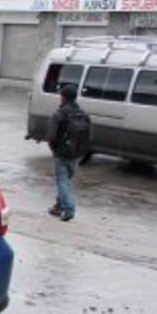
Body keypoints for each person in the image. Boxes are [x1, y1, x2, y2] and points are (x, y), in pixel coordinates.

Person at [46, 84, 90, 222]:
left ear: (63, 98)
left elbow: (51, 136)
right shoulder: (83, 114)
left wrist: (54, 149)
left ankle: (68, 208)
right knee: (66, 181)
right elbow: (89, 135)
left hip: (62, 153)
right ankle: (58, 206)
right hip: (77, 154)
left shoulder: (59, 114)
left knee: (62, 181)